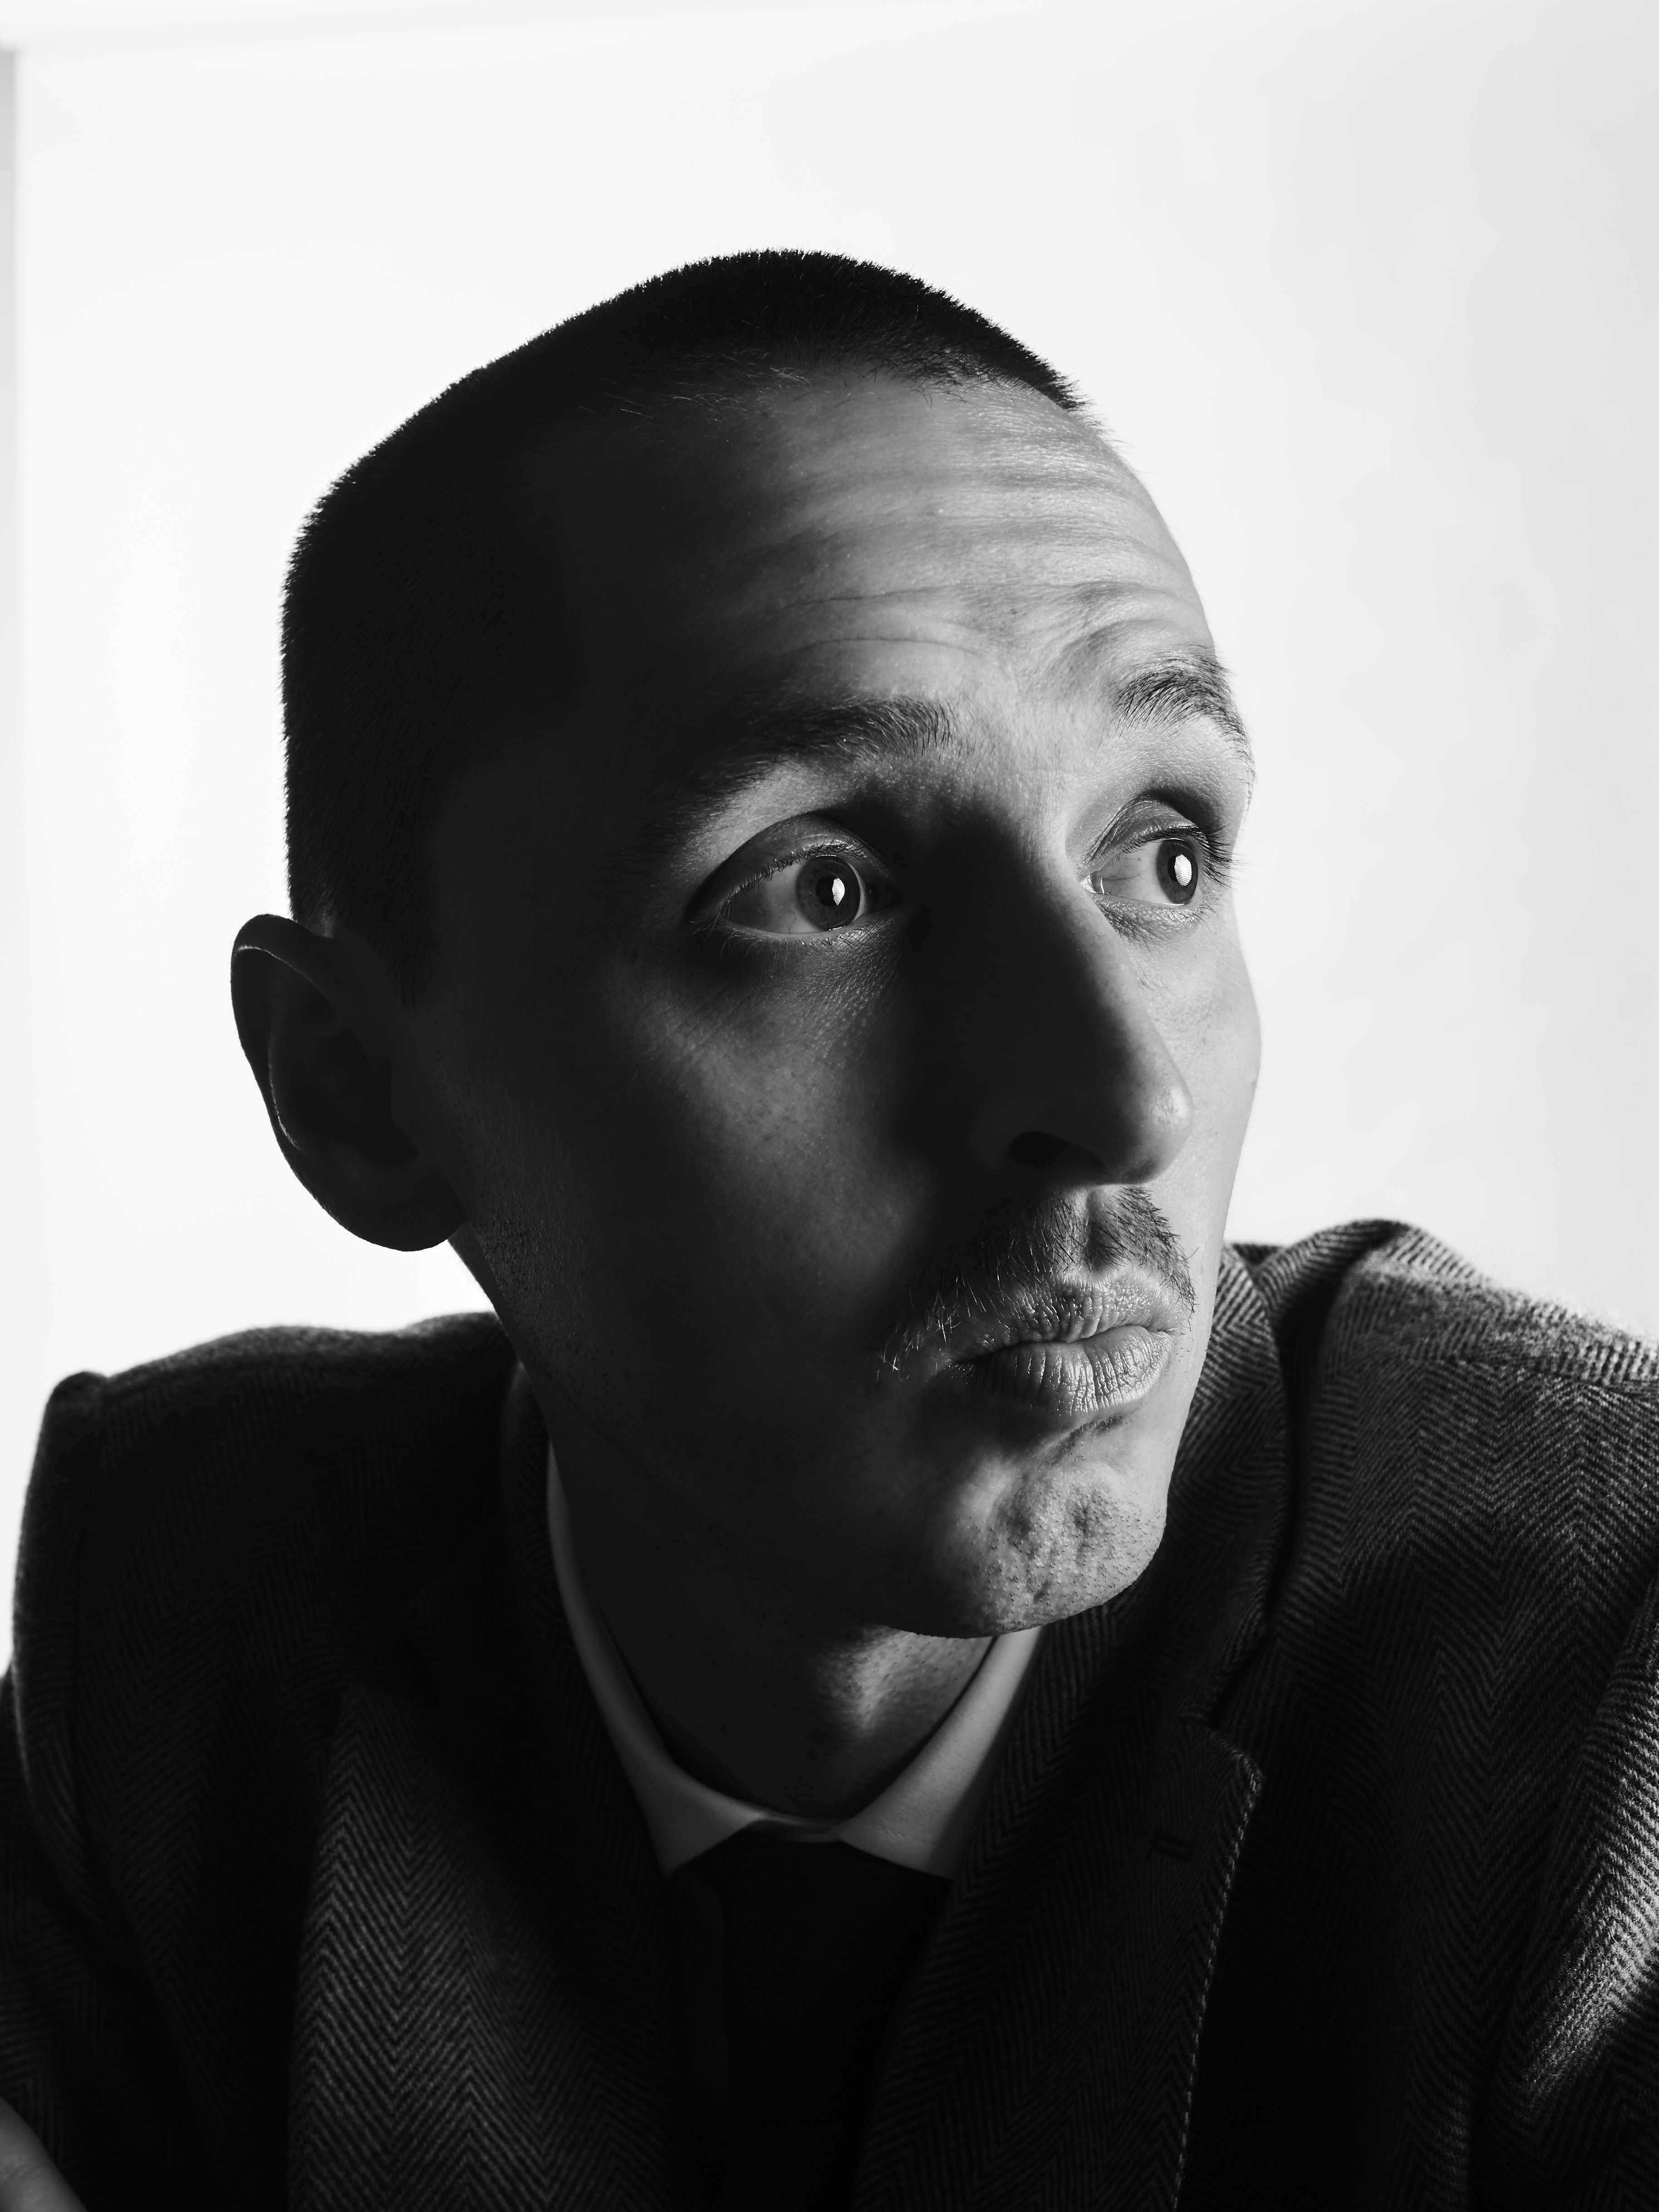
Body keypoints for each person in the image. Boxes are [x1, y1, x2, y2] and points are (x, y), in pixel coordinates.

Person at [0, 251, 1655, 2212]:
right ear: (358, 1093)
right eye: (821, 888)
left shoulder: (1589, 1672)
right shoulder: (193, 1601)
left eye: (1161, 853)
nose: (1129, 1100)